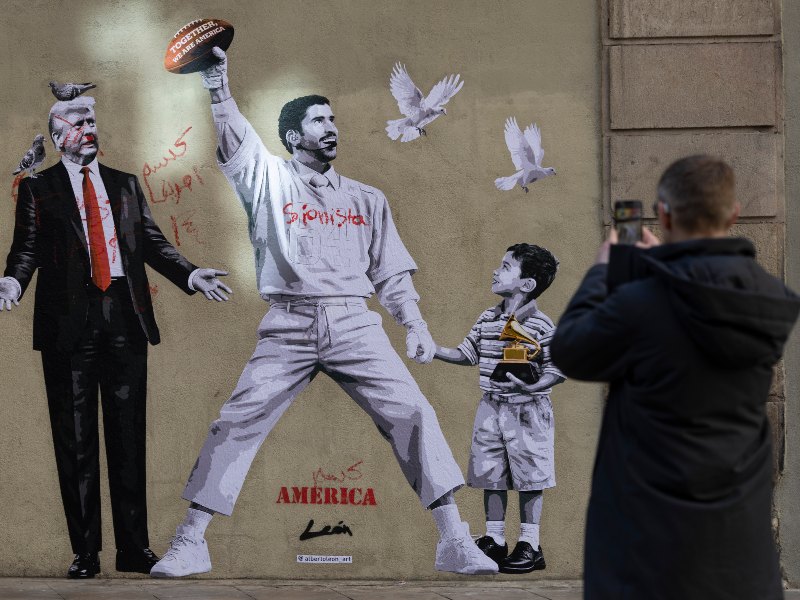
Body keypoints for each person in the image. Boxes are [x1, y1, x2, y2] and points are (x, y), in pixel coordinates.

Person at [149, 47, 497, 578]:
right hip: (288, 323)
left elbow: (391, 273)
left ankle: (454, 540)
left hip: (355, 321)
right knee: (234, 422)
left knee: (414, 414)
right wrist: (217, 85)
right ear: (294, 138)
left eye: (333, 119)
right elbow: (236, 138)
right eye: (319, 120)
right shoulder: (266, 179)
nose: (331, 127)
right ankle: (191, 541)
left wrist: (417, 327)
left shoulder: (366, 198)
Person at [0, 95, 232, 578]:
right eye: (79, 121)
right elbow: (26, 248)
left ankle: (133, 550)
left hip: (125, 319)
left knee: (128, 438)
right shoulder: (38, 189)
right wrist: (12, 282)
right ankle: (86, 552)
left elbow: (150, 241)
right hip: (68, 326)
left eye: (93, 120)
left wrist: (190, 275)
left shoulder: (124, 184)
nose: (89, 127)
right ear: (59, 134)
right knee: (77, 440)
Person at [550, 155, 800, 599]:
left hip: (647, 547)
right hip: (737, 542)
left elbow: (570, 350)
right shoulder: (768, 300)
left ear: (663, 214)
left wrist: (604, 270)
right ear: (734, 214)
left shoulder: (640, 303)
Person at [433, 244, 565, 574]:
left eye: (505, 267)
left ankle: (530, 544)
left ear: (527, 284)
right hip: (491, 407)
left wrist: (532, 386)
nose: (496, 270)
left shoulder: (541, 324)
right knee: (491, 472)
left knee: (530, 475)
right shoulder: (487, 318)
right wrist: (431, 349)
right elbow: (466, 354)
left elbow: (556, 369)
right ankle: (494, 538)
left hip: (528, 411)